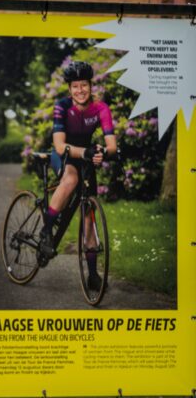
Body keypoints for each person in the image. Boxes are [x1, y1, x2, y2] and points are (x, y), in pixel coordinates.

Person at [39, 60, 117, 291]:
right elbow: (60, 145)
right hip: (64, 156)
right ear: (69, 89)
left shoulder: (101, 108)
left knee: (89, 216)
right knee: (71, 178)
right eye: (75, 86)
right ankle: (46, 231)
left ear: (91, 86)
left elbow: (111, 145)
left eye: (84, 85)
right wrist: (86, 152)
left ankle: (93, 275)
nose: (80, 90)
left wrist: (103, 151)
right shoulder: (61, 106)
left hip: (87, 157)